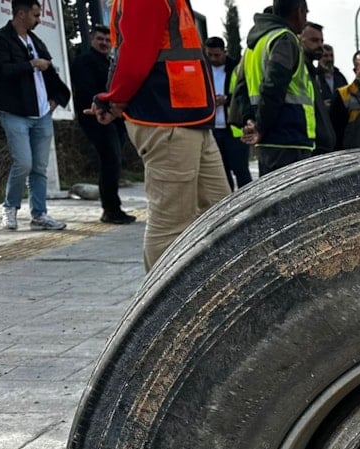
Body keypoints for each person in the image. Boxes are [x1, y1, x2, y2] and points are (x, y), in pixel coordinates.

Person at [88, 0, 230, 271]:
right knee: (171, 227)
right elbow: (135, 55)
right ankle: (163, 298)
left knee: (220, 213)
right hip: (167, 119)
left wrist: (113, 100)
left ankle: (216, 290)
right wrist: (114, 99)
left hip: (190, 117)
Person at [0, 0, 71, 231]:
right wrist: (31, 64)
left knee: (39, 168)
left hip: (42, 114)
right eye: (35, 15)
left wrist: (56, 99)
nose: (38, 20)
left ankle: (39, 215)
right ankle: (10, 208)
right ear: (21, 14)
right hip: (15, 112)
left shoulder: (36, 41)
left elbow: (50, 74)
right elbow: (1, 71)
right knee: (23, 163)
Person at [240, 0, 316, 174]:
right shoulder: (284, 39)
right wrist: (260, 127)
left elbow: (241, 89)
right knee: (296, 192)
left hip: (268, 141)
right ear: (299, 12)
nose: (306, 20)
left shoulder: (253, 45)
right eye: (306, 13)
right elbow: (273, 86)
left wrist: (251, 121)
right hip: (288, 138)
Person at [71, 25, 135, 224]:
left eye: (108, 40)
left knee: (114, 161)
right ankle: (111, 209)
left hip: (115, 118)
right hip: (96, 118)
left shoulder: (112, 62)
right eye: (100, 39)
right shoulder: (84, 62)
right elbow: (86, 92)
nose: (104, 43)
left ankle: (113, 208)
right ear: (92, 39)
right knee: (110, 161)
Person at [205, 36, 252, 190]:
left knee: (241, 170)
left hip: (234, 129)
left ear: (224, 52)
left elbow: (244, 93)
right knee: (221, 174)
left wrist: (226, 99)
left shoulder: (236, 67)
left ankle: (249, 201)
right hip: (212, 128)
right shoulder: (204, 69)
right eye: (210, 55)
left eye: (217, 55)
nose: (213, 58)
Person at [298, 22, 336, 154]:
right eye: (314, 40)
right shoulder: (299, 71)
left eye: (321, 41)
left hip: (319, 146)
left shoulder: (312, 72)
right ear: (300, 41)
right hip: (307, 146)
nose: (320, 45)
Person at [316, 44, 347, 109]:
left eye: (331, 55)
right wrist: (321, 105)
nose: (329, 59)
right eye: (325, 56)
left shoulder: (340, 77)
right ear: (319, 57)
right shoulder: (314, 77)